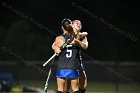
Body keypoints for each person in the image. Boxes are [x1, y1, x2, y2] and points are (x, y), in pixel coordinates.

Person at [52, 18, 81, 93]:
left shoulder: (58, 38)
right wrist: (56, 48)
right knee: (75, 89)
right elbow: (54, 46)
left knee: (60, 90)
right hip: (73, 66)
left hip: (62, 66)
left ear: (62, 27)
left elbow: (53, 45)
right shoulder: (77, 37)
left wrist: (55, 48)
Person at [64, 20, 88, 93]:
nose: (78, 24)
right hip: (67, 62)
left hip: (77, 62)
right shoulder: (67, 35)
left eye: (80, 24)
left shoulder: (82, 37)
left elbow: (85, 46)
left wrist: (78, 41)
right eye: (76, 23)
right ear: (72, 25)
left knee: (83, 85)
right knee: (66, 88)